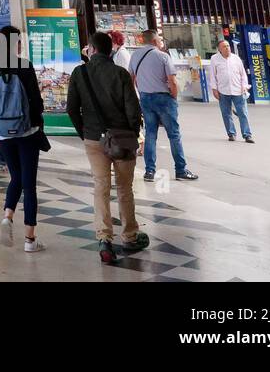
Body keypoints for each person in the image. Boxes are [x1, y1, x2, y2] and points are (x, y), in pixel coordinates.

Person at [67, 31, 150, 265]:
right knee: (125, 188)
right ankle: (130, 236)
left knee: (101, 187)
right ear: (109, 50)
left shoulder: (79, 72)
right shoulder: (120, 74)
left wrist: (85, 132)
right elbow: (133, 109)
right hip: (122, 137)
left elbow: (72, 108)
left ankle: (104, 239)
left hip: (94, 138)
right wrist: (133, 134)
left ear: (92, 49)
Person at [0, 25, 48, 253]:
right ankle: (30, 240)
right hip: (27, 131)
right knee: (29, 184)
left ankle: (7, 215)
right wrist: (38, 122)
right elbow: (36, 101)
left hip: (2, 132)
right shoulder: (25, 66)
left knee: (15, 177)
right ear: (16, 43)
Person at [130, 30, 198, 182]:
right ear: (154, 41)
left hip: (145, 99)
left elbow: (131, 79)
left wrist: (140, 93)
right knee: (174, 135)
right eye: (160, 40)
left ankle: (149, 171)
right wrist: (173, 98)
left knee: (150, 135)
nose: (161, 43)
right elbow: (172, 81)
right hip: (164, 99)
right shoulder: (163, 56)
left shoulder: (135, 55)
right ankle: (180, 170)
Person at [209, 38, 254, 144]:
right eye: (224, 46)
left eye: (228, 46)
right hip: (223, 91)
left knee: (243, 113)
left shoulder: (236, 58)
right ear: (219, 49)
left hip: (238, 90)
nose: (227, 48)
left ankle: (247, 135)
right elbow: (213, 75)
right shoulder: (214, 59)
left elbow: (243, 74)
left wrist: (244, 86)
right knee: (226, 113)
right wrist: (214, 89)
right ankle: (231, 133)